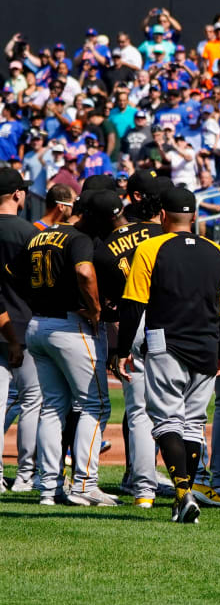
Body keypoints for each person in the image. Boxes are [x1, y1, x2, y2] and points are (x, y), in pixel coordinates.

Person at [115, 185, 220, 523]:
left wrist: (122, 349)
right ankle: (186, 494)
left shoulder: (151, 247)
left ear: (163, 216)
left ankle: (183, 493)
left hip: (164, 341)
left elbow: (133, 304)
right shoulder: (217, 251)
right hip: (206, 344)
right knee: (194, 424)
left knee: (167, 420)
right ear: (195, 216)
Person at [11, 189, 110, 507]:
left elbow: (16, 277)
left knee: (52, 407)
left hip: (38, 325)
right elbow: (84, 271)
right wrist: (95, 308)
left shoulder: (39, 236)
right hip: (69, 326)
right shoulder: (78, 237)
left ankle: (48, 487)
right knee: (95, 405)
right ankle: (84, 484)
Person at [91, 176, 165, 508]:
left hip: (130, 323)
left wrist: (117, 342)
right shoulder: (158, 233)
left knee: (137, 409)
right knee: (175, 404)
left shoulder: (103, 247)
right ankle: (186, 475)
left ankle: (139, 480)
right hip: (167, 318)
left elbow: (108, 303)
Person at [0, 167, 38, 493]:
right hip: (24, 324)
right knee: (32, 401)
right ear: (18, 194)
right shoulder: (30, 233)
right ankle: (26, 476)